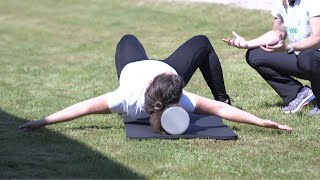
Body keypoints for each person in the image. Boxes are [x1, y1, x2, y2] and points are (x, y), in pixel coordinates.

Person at [19, 34, 293, 133]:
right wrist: (261, 122)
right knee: (202, 42)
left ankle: (223, 93)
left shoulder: (124, 98)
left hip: (132, 66)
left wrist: (42, 121)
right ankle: (223, 94)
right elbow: (222, 112)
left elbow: (80, 109)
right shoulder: (182, 98)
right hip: (158, 68)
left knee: (127, 39)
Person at [223, 0, 320, 116]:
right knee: (256, 55)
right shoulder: (283, 4)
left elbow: (317, 38)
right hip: (302, 57)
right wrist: (247, 44)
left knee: (307, 57)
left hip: (313, 57)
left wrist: (290, 46)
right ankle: (299, 93)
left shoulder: (313, 3)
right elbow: (278, 33)